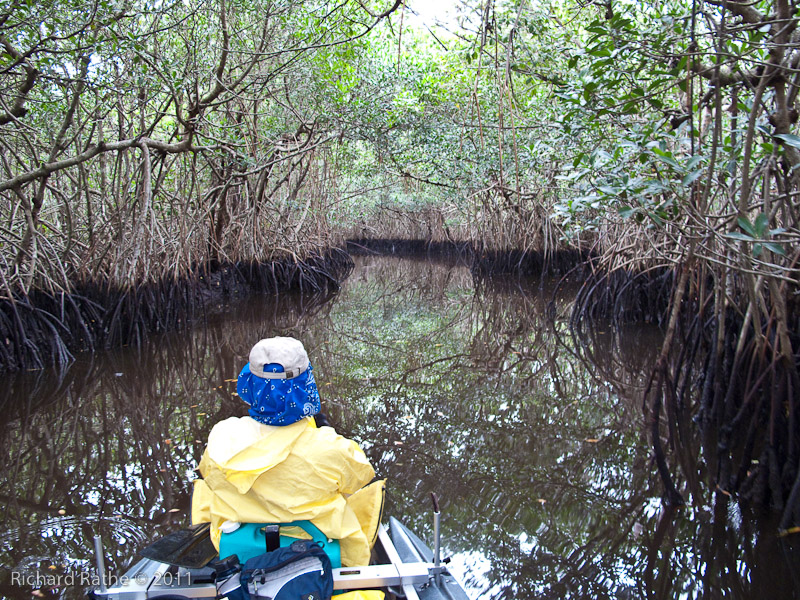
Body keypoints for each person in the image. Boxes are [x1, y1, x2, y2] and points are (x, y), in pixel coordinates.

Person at [192, 336, 385, 567]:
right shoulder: (328, 446)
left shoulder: (223, 435)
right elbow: (360, 478)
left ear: (251, 385)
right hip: (317, 549)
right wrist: (324, 429)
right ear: (305, 386)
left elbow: (209, 475)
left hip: (238, 550)